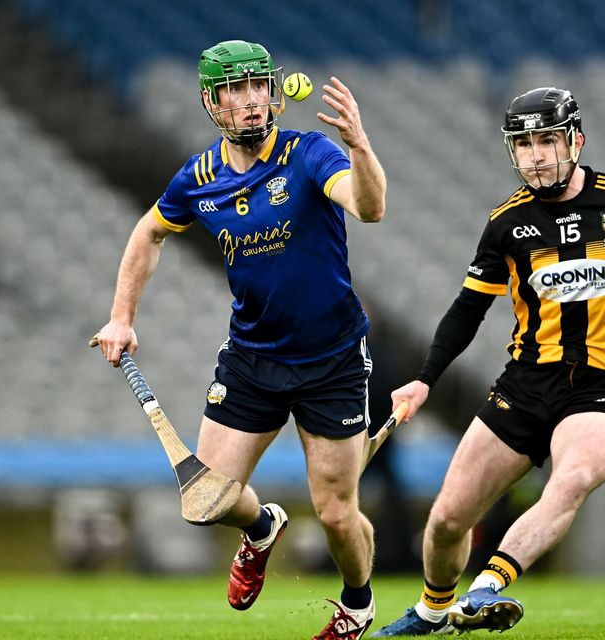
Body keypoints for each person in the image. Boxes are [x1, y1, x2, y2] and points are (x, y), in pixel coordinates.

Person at [371, 86, 605, 636]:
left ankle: (487, 586)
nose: (535, 155)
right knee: (446, 520)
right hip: (523, 384)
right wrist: (423, 380)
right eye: (523, 145)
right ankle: (432, 611)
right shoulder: (505, 223)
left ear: (575, 141)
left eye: (546, 141)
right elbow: (466, 310)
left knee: (572, 478)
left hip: (604, 387)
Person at [95, 40, 387, 640]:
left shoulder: (308, 153)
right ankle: (261, 528)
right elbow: (149, 233)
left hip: (332, 360)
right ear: (213, 101)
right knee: (210, 498)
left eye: (259, 86)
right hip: (253, 358)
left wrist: (359, 149)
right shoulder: (198, 177)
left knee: (336, 512)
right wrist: (121, 316)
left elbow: (368, 206)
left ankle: (357, 604)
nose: (252, 101)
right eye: (236, 90)